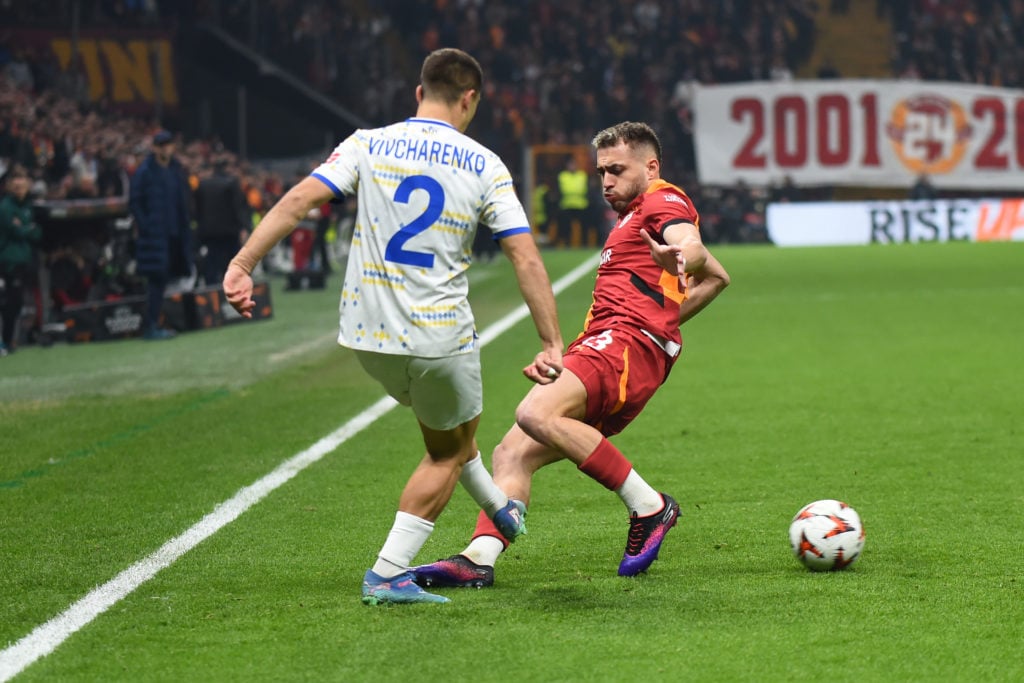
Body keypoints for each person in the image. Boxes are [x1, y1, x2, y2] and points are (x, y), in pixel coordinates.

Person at [222, 48, 564, 606]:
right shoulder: (484, 163)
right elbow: (523, 257)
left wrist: (242, 265)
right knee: (445, 452)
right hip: (436, 335)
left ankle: (500, 510)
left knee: (453, 427)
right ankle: (387, 573)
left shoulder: (366, 143)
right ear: (469, 98)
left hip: (365, 335)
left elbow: (298, 200)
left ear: (417, 93)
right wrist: (551, 340)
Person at [410, 121, 730, 588]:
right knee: (512, 451)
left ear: (651, 165)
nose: (606, 182)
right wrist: (666, 318)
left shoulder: (663, 199)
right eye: (601, 172)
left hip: (623, 344)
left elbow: (693, 247)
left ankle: (650, 506)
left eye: (617, 170)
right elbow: (719, 278)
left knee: (534, 412)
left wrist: (682, 255)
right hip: (612, 343)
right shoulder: (633, 214)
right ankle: (480, 556)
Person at [128, 129, 193, 340]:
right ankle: (151, 325)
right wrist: (146, 227)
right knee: (156, 282)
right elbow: (135, 202)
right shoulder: (145, 171)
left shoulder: (175, 170)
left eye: (169, 144)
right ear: (155, 147)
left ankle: (159, 322)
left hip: (174, 235)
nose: (166, 148)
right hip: (155, 237)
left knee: (166, 281)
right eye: (162, 145)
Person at [0, 168, 42, 356]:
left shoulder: (29, 206)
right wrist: (27, 229)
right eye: (15, 181)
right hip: (9, 261)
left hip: (24, 260)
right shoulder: (6, 207)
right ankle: (7, 341)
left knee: (18, 303)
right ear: (9, 185)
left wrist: (25, 229)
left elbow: (37, 233)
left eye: (22, 180)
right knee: (12, 301)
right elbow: (16, 231)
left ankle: (13, 340)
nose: (19, 185)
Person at [194, 158, 249, 286]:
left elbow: (197, 210)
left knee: (212, 264)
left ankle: (211, 295)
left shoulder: (202, 185)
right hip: (230, 232)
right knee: (232, 265)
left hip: (210, 232)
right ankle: (233, 293)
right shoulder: (232, 183)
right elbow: (238, 208)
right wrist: (243, 227)